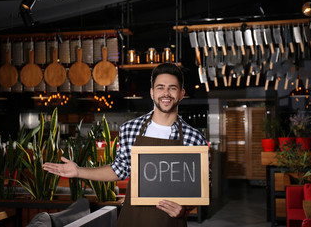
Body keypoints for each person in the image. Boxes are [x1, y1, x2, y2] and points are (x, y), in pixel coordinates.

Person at [43, 63, 208, 227]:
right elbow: (119, 170)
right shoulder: (130, 129)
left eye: (172, 88)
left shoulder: (193, 138)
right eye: (160, 87)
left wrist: (185, 209)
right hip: (133, 218)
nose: (166, 93)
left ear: (181, 94)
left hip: (170, 221)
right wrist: (78, 171)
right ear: (152, 93)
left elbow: (202, 185)